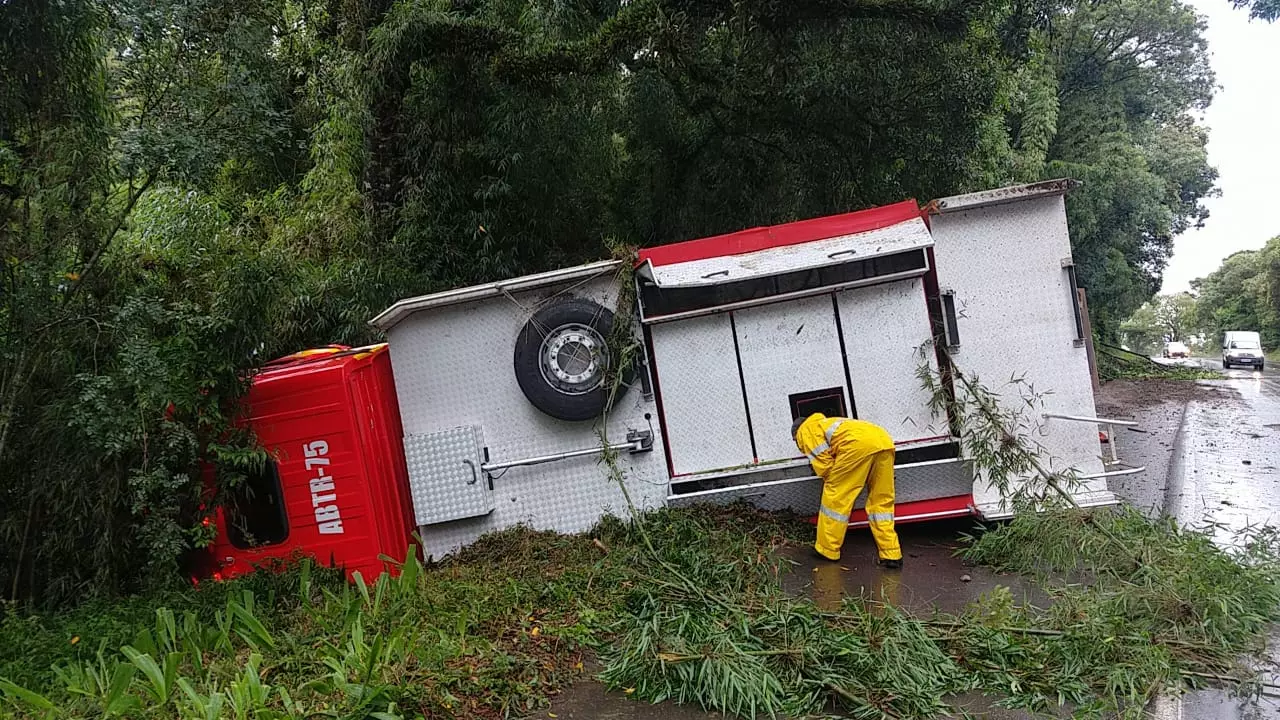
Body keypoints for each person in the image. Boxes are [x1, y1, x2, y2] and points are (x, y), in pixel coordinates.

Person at [791, 413, 903, 568]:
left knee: (835, 496)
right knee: (881, 501)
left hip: (857, 446)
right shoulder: (828, 423)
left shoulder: (806, 430)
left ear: (795, 435)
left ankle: (827, 549)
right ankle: (891, 554)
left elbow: (825, 467)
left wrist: (840, 479)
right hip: (884, 441)